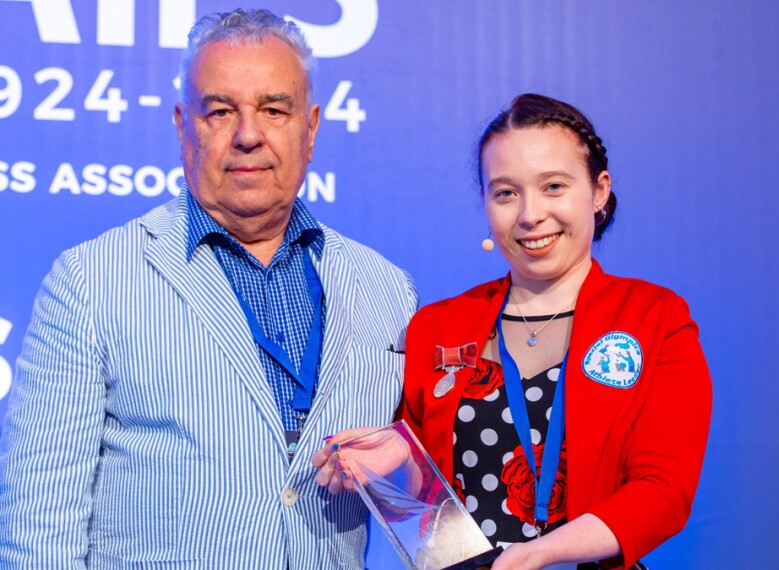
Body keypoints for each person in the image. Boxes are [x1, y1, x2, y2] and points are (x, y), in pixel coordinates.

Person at [0, 9, 417, 569]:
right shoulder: (91, 281)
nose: (248, 135)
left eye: (274, 109)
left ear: (311, 128)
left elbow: (420, 505)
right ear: (182, 127)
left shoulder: (386, 289)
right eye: (220, 111)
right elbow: (38, 525)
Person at [313, 94, 712, 569]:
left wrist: (542, 553)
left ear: (599, 191)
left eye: (554, 186)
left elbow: (663, 491)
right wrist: (393, 452)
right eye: (505, 192)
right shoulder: (438, 325)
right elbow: (425, 487)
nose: (529, 214)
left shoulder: (654, 318)